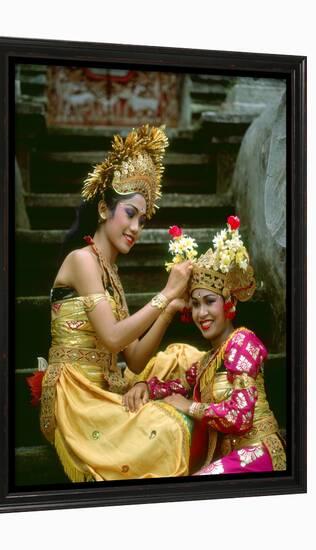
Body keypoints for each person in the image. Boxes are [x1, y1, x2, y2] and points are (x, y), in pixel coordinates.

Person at [39, 125, 202, 482]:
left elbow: (135, 357)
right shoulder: (82, 260)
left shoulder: (110, 272)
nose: (136, 227)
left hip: (108, 382)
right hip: (78, 394)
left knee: (183, 358)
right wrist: (165, 293)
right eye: (130, 213)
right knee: (168, 428)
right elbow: (113, 339)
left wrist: (171, 307)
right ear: (103, 208)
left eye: (142, 220)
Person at [123, 216, 286, 475]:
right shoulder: (208, 360)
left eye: (210, 301)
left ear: (228, 303)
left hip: (258, 453)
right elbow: (176, 387)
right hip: (230, 458)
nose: (201, 313)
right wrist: (145, 385)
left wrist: (190, 407)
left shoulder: (243, 342)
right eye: (196, 304)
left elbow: (240, 417)